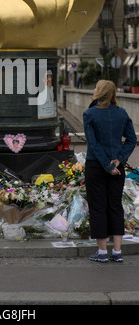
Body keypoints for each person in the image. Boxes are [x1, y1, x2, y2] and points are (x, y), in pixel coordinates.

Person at [83, 80, 137, 263]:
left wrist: (107, 165)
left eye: (96, 87)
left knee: (98, 207)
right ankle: (117, 251)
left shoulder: (89, 114)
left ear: (100, 92)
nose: (93, 89)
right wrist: (119, 160)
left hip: (96, 166)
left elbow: (93, 144)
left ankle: (102, 252)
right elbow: (131, 139)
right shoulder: (122, 113)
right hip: (117, 167)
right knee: (115, 206)